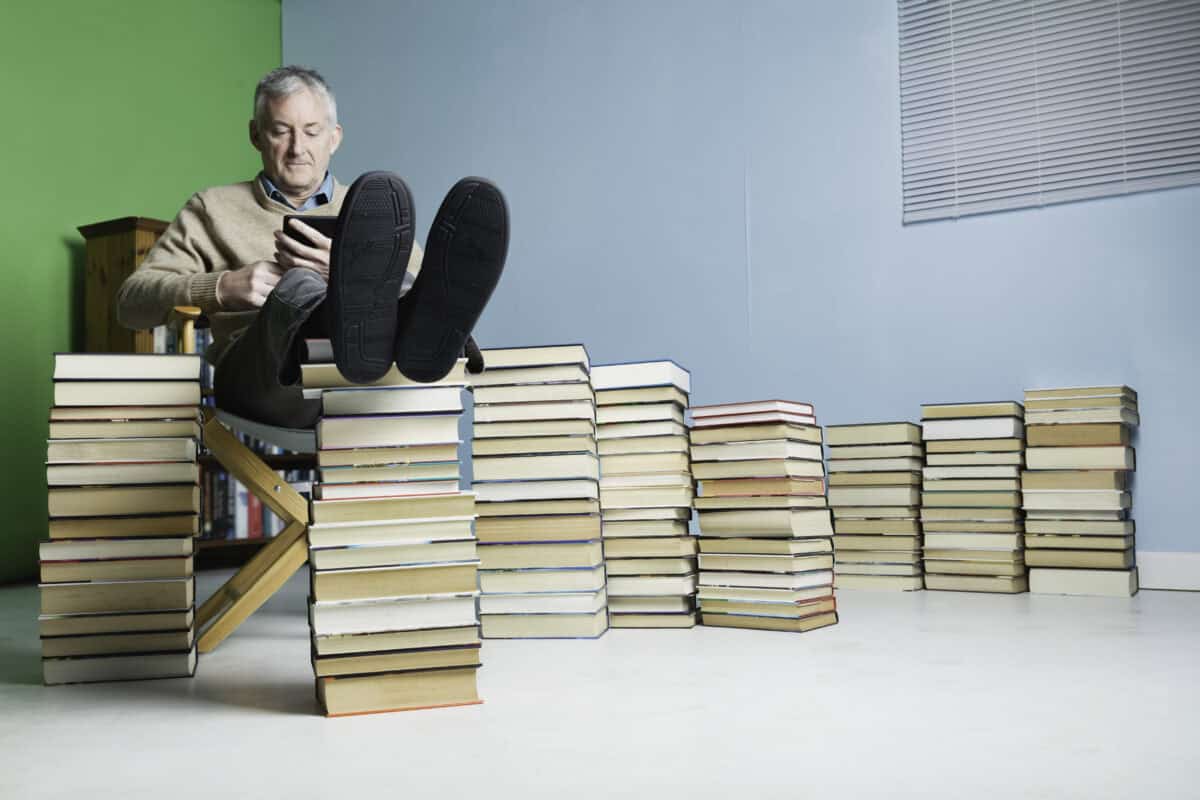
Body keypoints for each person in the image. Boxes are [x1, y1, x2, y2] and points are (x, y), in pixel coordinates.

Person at [116, 65, 507, 428]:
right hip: (260, 383)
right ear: (256, 135)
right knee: (299, 284)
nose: (297, 147)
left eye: (312, 131)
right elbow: (130, 303)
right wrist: (222, 287)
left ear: (334, 138)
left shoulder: (373, 211)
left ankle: (374, 330)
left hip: (366, 389)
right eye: (280, 130)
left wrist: (344, 275)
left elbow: (419, 292)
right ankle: (348, 314)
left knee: (408, 291)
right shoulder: (212, 208)